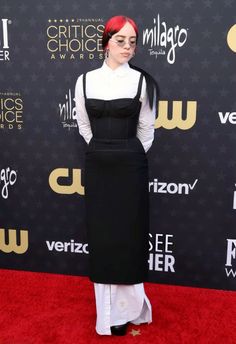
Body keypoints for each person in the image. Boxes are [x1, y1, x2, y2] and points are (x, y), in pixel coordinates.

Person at [75, 15, 159, 336]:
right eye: (120, 40)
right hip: (98, 165)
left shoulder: (142, 82)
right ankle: (107, 314)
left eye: (132, 42)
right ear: (106, 41)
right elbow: (84, 126)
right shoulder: (84, 81)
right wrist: (103, 150)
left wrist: (125, 154)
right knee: (103, 235)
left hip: (130, 166)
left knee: (128, 235)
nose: (127, 47)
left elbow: (146, 131)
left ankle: (127, 311)